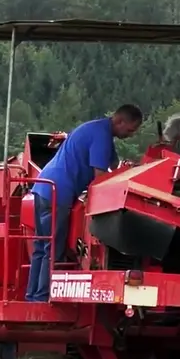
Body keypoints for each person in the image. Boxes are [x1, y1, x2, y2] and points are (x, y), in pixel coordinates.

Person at [25, 104, 144, 302]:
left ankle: (33, 296)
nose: (130, 135)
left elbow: (114, 166)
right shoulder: (102, 137)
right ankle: (42, 298)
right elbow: (100, 178)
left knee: (42, 245)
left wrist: (133, 169)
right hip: (58, 192)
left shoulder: (96, 129)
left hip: (43, 186)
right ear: (120, 121)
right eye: (130, 130)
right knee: (53, 248)